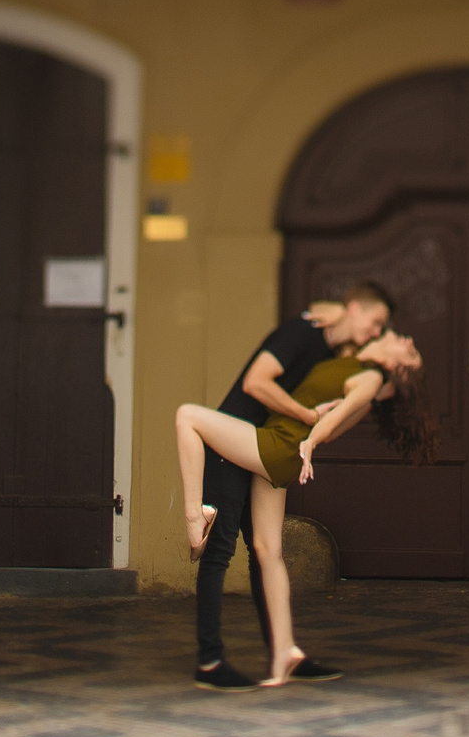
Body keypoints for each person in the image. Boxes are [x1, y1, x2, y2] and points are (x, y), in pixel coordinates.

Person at [173, 330, 437, 686]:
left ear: (395, 368)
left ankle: (194, 517)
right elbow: (338, 412)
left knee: (187, 416)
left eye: (410, 351)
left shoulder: (372, 377)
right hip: (283, 453)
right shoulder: (355, 364)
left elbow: (334, 421)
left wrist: (311, 440)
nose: (407, 339)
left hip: (280, 446)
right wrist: (316, 421)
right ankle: (284, 654)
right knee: (269, 550)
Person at [187, 283, 391, 691]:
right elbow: (256, 384)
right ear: (354, 309)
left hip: (260, 450)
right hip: (231, 444)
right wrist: (305, 414)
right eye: (376, 322)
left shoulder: (331, 346)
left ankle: (284, 653)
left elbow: (367, 375)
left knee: (265, 552)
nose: (377, 331)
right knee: (219, 550)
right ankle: (209, 662)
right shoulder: (299, 335)